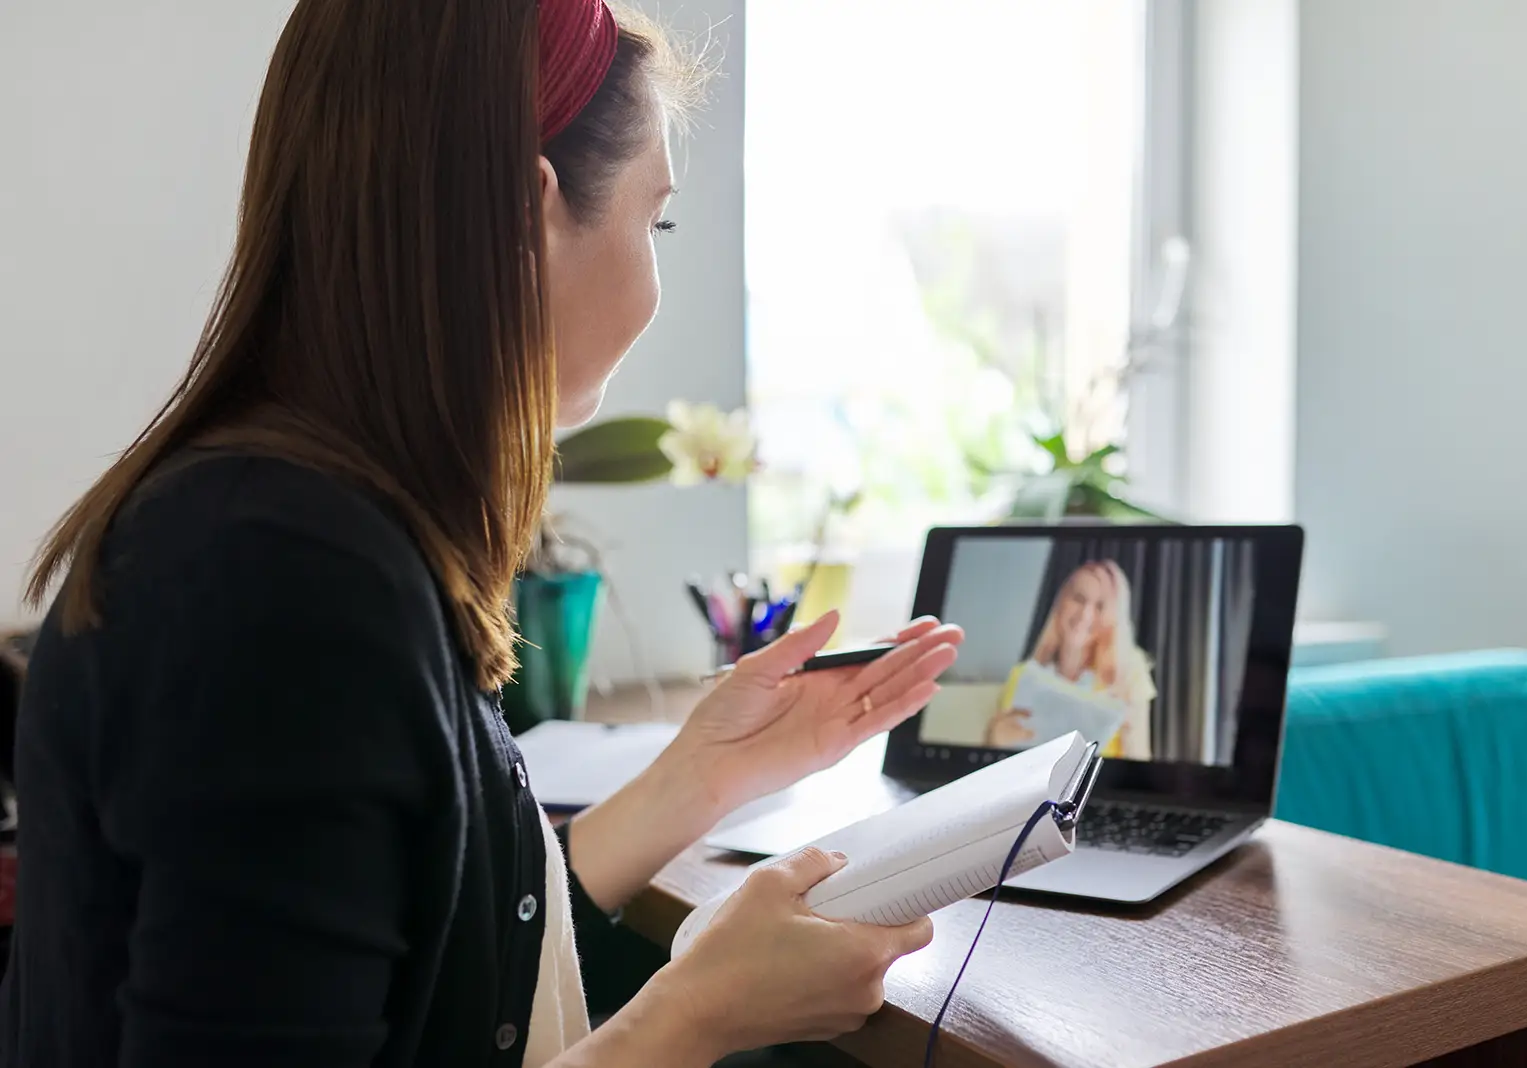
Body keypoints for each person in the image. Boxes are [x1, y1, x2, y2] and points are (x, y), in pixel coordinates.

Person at [0, 2, 967, 1065]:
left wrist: (704, 776)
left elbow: (435, 923)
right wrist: (698, 1013)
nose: (654, 272)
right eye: (658, 222)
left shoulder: (303, 528)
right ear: (528, 213)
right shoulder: (278, 588)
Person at [984, 560, 1155, 759]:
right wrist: (993, 739)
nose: (1085, 614)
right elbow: (993, 763)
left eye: (1100, 606)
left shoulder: (1129, 673)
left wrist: (1130, 727)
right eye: (1079, 599)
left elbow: (1140, 763)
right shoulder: (1022, 674)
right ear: (1061, 603)